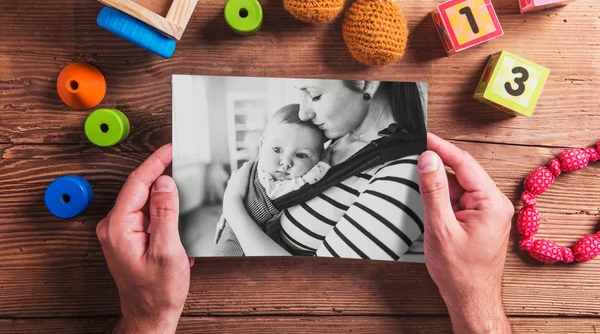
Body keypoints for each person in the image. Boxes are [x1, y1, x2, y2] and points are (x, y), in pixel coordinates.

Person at [96, 134, 514, 333]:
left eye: (313, 98)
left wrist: (147, 318)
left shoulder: (329, 173)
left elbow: (305, 181)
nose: (284, 160)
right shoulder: (257, 169)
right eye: (276, 149)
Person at [222, 80, 427, 260]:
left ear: (368, 84)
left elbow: (318, 286)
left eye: (314, 95)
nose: (303, 113)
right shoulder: (338, 139)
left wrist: (233, 208)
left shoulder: (406, 174)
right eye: (300, 94)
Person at [214, 103, 331, 256]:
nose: (286, 162)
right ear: (261, 146)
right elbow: (305, 184)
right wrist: (324, 163)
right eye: (277, 150)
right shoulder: (270, 186)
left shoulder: (253, 167)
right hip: (236, 250)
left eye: (301, 155)